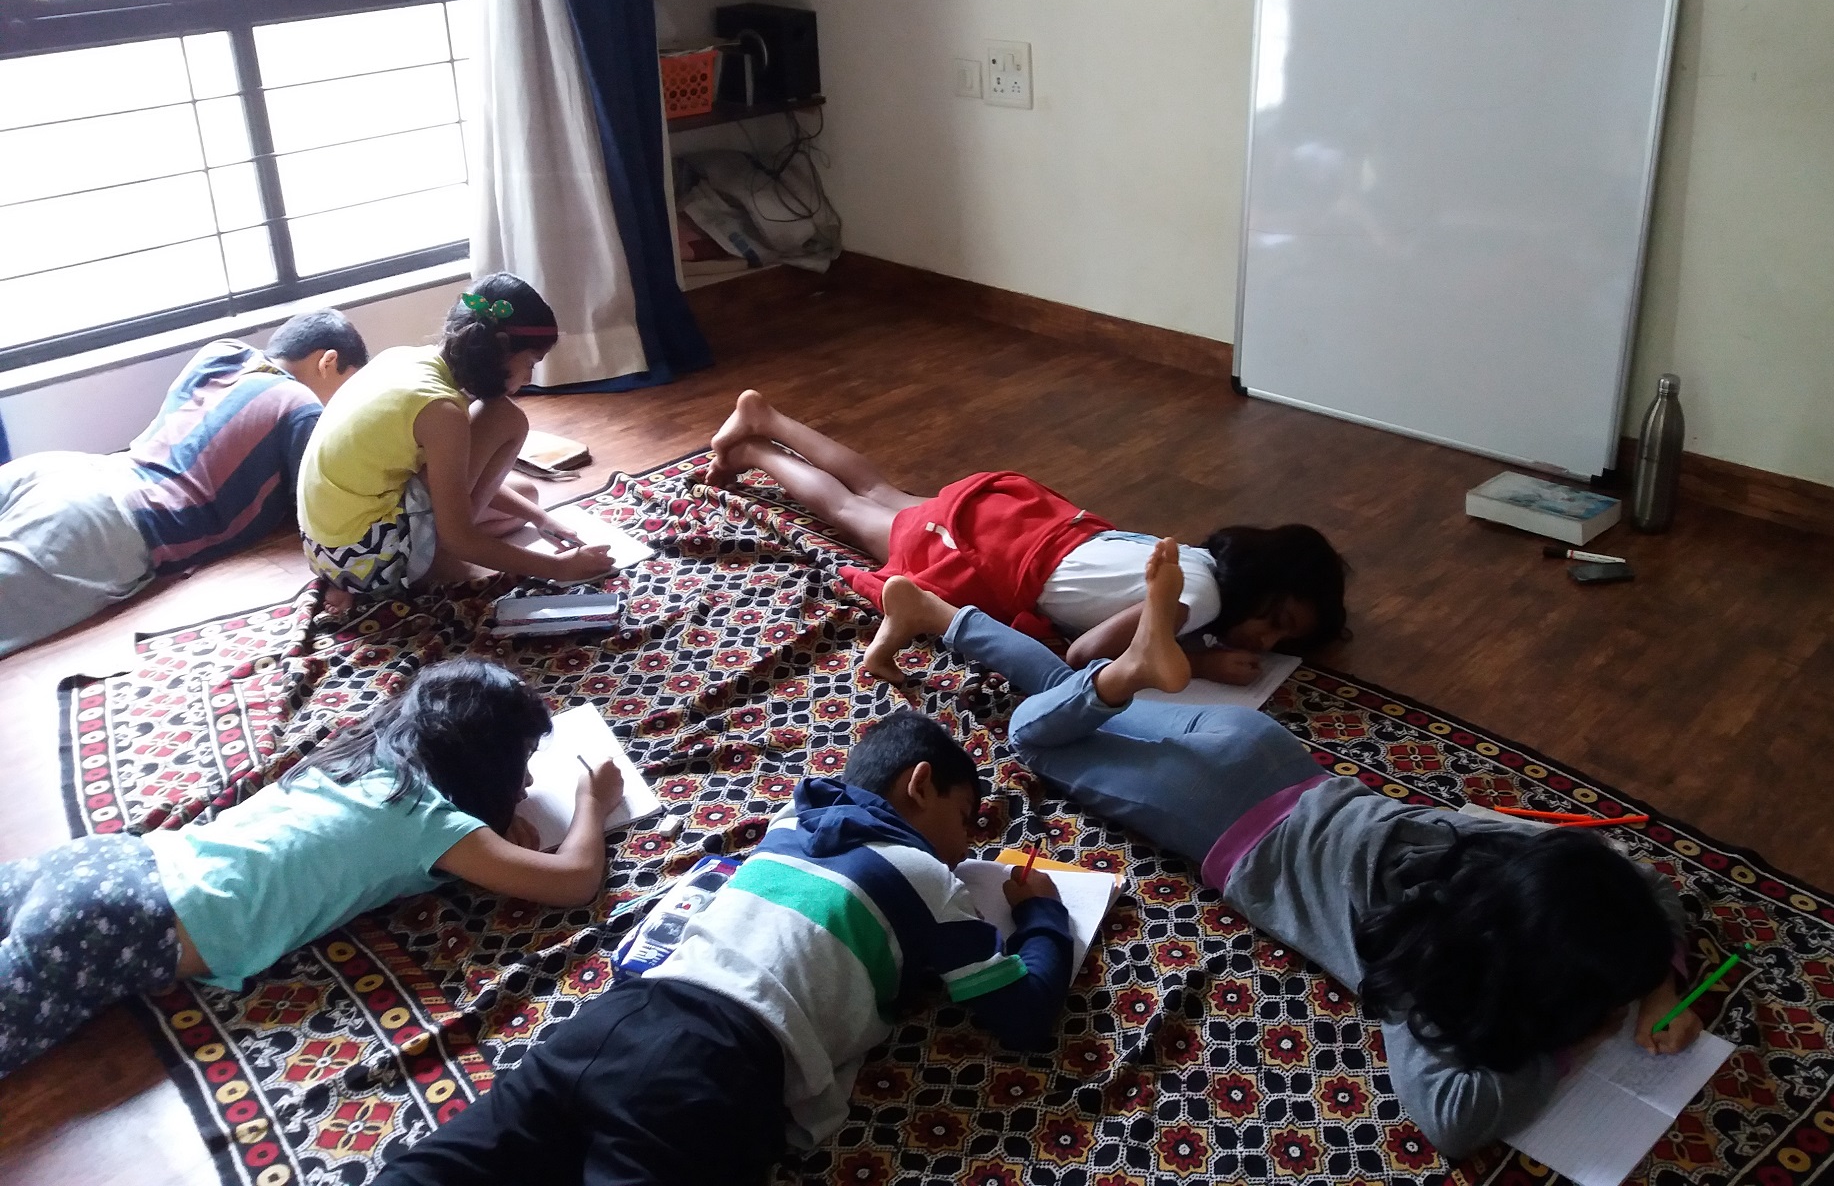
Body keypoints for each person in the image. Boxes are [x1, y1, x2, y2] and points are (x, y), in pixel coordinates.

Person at [867, 542, 1708, 1159]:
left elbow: (1628, 884)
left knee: (1065, 699)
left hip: (1267, 755)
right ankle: (1118, 671)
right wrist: (1586, 1033)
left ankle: (940, 616)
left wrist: (1661, 975)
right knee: (1036, 740)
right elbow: (1450, 1118)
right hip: (1224, 817)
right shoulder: (1420, 971)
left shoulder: (1496, 854)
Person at [374, 710, 1076, 1186]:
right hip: (710, 1068)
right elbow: (1021, 1012)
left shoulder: (785, 827)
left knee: (440, 1168)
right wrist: (1043, 916)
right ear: (919, 786)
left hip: (608, 1025)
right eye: (965, 819)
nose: (969, 847)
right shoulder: (922, 874)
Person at [0, 658, 623, 1079]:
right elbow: (572, 882)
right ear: (481, 768)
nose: (531, 779)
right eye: (521, 763)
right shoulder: (431, 825)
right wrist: (590, 805)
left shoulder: (361, 757)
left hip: (113, 861)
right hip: (125, 923)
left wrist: (490, 822)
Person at [705, 390, 1347, 683]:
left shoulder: (1202, 562)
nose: (1265, 641)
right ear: (1259, 585)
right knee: (854, 511)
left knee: (882, 495)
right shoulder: (1193, 603)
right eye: (1274, 619)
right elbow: (1082, 656)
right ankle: (760, 452)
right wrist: (1197, 662)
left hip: (1015, 520)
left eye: (1282, 640)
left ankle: (768, 416)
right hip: (982, 550)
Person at [0, 310, 367, 657]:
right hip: (108, 525)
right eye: (347, 387)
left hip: (68, 471)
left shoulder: (223, 353)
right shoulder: (301, 406)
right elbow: (323, 514)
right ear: (328, 362)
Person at [297, 275, 612, 604]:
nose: (529, 376)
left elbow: (449, 478)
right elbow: (458, 538)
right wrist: (559, 568)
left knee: (526, 498)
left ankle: (394, 564)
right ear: (503, 347)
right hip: (370, 561)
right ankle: (418, 567)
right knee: (506, 418)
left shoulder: (403, 357)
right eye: (530, 362)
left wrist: (541, 518)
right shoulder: (443, 413)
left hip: (327, 551)